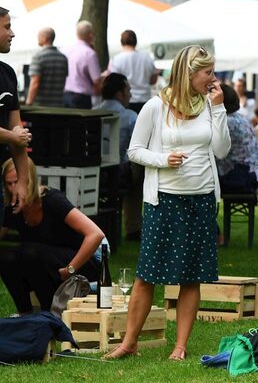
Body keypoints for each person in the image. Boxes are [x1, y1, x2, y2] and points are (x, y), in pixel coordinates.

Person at [108, 45, 230, 360]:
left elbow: (221, 150)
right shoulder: (155, 106)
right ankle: (129, 343)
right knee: (147, 273)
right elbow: (134, 150)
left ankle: (180, 346)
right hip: (164, 200)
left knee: (191, 275)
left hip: (200, 199)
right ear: (188, 74)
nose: (212, 79)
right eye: (208, 73)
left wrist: (218, 109)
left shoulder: (209, 104)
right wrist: (163, 159)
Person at [0, 158, 105, 314]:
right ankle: (25, 313)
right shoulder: (13, 207)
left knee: (29, 251)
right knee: (6, 258)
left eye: (17, 182)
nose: (14, 188)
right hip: (44, 263)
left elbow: (96, 234)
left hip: (80, 263)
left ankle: (48, 313)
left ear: (30, 179)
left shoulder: (51, 200)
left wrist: (71, 268)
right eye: (9, 184)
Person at [0, 7, 33, 212]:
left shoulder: (8, 74)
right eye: (7, 27)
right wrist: (14, 137)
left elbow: (16, 129)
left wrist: (23, 182)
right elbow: (15, 137)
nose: (12, 33)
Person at [216, 84, 258, 194]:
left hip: (239, 178)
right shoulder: (240, 118)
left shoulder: (226, 122)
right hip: (251, 176)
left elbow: (215, 151)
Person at [93, 72, 137, 174]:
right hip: (121, 170)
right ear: (119, 94)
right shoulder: (130, 116)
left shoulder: (92, 112)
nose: (130, 95)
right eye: (128, 91)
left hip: (94, 168)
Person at [107, 29, 160, 113]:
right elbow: (153, 81)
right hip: (145, 99)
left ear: (121, 43)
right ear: (136, 42)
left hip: (126, 100)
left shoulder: (117, 59)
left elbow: (114, 82)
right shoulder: (146, 57)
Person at [62, 20, 101, 109]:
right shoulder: (89, 53)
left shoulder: (64, 50)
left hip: (64, 96)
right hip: (81, 99)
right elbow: (96, 80)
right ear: (90, 35)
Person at [26, 27, 68, 107]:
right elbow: (64, 80)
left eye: (39, 36)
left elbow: (35, 83)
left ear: (45, 38)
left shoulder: (38, 57)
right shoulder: (63, 58)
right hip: (59, 106)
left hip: (41, 107)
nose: (37, 38)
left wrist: (29, 103)